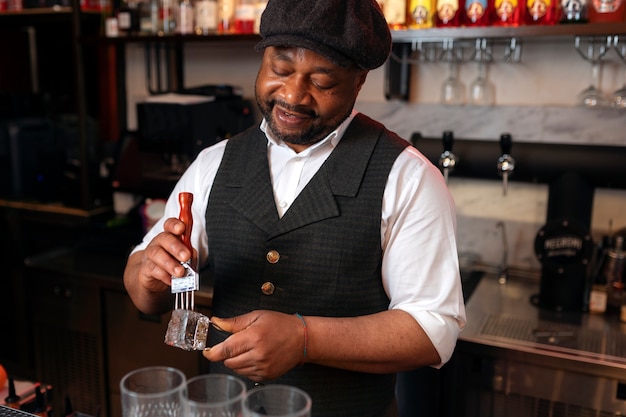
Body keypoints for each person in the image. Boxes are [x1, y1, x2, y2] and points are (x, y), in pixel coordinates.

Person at [123, 1, 466, 416]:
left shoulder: (408, 177)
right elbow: (144, 284)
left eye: (321, 82)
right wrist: (149, 276)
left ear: (359, 82)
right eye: (280, 70)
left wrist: (306, 339)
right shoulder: (215, 162)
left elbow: (433, 331)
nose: (292, 95)